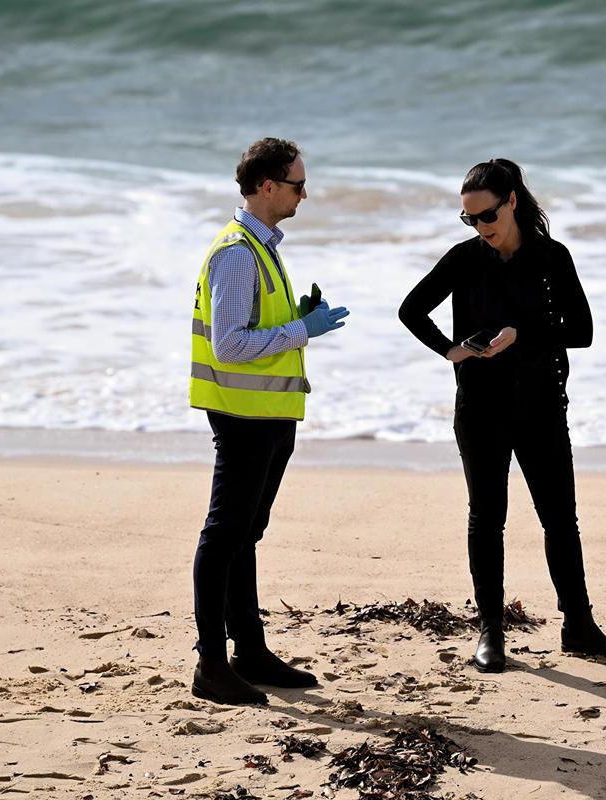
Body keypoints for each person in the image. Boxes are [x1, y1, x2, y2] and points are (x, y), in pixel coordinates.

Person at [398, 158, 606, 673]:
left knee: (560, 520)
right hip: (480, 408)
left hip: (541, 405)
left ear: (511, 203)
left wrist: (521, 334)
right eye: (469, 220)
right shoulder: (464, 260)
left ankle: (579, 626)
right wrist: (450, 349)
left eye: (486, 216)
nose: (480, 228)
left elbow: (583, 330)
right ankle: (491, 632)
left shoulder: (552, 257)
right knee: (487, 518)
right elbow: (411, 310)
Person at [189, 138, 349, 704]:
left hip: (270, 411)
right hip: (244, 414)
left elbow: (252, 327)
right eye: (298, 184)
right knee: (224, 534)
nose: (305, 193)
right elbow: (231, 346)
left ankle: (249, 651)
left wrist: (297, 318)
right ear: (267, 187)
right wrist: (305, 331)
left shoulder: (262, 247)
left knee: (245, 535)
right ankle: (211, 664)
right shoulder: (236, 253)